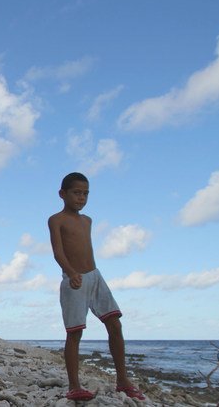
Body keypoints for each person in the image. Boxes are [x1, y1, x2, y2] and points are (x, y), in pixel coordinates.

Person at [48, 172, 145, 402]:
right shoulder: (56, 220)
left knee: (114, 324)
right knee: (75, 333)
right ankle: (74, 386)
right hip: (74, 280)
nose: (81, 198)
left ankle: (123, 380)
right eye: (76, 193)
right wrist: (71, 272)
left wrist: (87, 274)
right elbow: (58, 252)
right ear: (63, 194)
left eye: (85, 193)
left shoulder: (88, 220)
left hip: (95, 276)